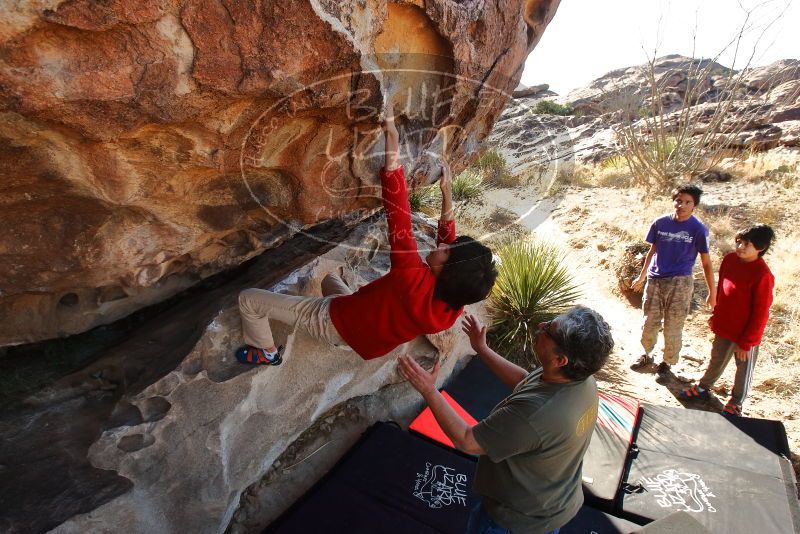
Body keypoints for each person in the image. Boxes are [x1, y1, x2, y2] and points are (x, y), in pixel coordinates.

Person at [234, 105, 497, 364]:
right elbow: (450, 250)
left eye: (447, 252)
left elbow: (399, 211)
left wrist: (392, 139)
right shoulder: (452, 305)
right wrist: (447, 192)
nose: (441, 246)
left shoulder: (411, 277)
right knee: (328, 280)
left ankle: (266, 353)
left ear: (447, 272)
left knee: (248, 300)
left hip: (331, 322)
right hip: (366, 341)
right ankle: (348, 312)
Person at [398, 306, 614, 534]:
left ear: (560, 360)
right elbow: (525, 381)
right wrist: (482, 349)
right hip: (552, 504)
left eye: (549, 330)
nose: (541, 325)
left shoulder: (536, 414)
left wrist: (429, 390)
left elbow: (467, 440)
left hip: (517, 521)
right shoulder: (581, 380)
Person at [679, 224, 775, 416]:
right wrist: (716, 315)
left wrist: (747, 342)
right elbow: (724, 290)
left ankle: (736, 402)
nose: (740, 247)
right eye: (739, 242)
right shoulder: (730, 260)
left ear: (760, 247)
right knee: (717, 358)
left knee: (743, 369)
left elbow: (761, 313)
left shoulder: (762, 274)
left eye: (747, 244)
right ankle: (704, 388)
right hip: (725, 326)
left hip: (745, 334)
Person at [630, 184, 717, 376]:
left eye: (687, 202)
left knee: (674, 323)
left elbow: (706, 262)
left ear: (694, 205)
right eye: (679, 200)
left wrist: (713, 291)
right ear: (673, 201)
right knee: (649, 321)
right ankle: (646, 353)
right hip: (655, 280)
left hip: (680, 282)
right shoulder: (660, 223)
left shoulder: (698, 229)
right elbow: (652, 251)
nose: (682, 205)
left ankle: (668, 362)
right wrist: (642, 276)